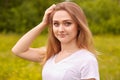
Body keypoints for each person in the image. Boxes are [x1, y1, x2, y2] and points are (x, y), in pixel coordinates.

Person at [12, 2, 100, 80]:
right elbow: (18, 50)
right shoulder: (51, 53)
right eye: (56, 24)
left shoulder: (86, 59)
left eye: (67, 23)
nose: (61, 29)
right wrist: (43, 23)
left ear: (79, 26)